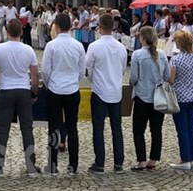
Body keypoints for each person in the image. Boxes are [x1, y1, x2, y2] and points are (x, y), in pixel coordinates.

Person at [0, 18, 40, 176]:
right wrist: (34, 92)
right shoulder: (28, 50)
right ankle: (31, 164)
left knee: (3, 129)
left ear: (7, 31)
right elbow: (35, 75)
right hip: (23, 90)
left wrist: (0, 79)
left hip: (6, 90)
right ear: (22, 32)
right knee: (27, 129)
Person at [41, 12, 85, 175]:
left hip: (55, 89)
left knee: (53, 128)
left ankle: (52, 164)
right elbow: (82, 70)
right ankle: (73, 165)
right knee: (72, 127)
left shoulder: (52, 45)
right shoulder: (78, 45)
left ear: (56, 26)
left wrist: (49, 84)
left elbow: (45, 70)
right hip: (72, 89)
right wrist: (73, 80)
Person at [85, 12, 128, 174]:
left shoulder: (94, 47)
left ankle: (100, 162)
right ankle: (118, 162)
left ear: (100, 27)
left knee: (98, 128)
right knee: (116, 127)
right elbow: (123, 68)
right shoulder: (121, 48)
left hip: (99, 90)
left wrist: (94, 80)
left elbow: (87, 69)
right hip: (115, 91)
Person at [129, 25, 169, 171]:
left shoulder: (137, 55)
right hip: (158, 97)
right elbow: (166, 76)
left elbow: (133, 77)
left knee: (138, 130)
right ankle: (153, 159)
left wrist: (131, 83)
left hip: (142, 96)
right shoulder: (162, 55)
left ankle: (141, 160)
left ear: (143, 38)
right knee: (156, 129)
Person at [168, 29, 193, 170]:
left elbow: (171, 79)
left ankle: (185, 159)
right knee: (192, 128)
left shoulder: (176, 59)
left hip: (180, 97)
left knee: (182, 129)